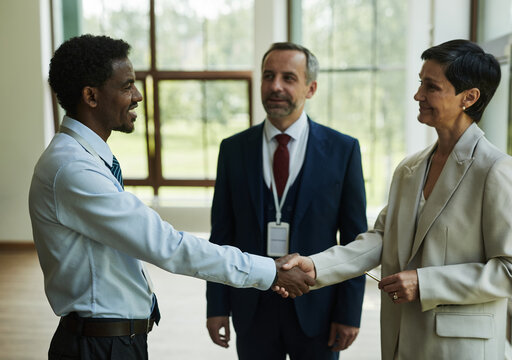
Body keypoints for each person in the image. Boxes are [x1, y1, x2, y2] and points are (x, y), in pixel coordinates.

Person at [28, 34, 314, 360]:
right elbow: (169, 246)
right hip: (98, 347)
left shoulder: (84, 158)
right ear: (91, 96)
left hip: (113, 340)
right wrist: (270, 271)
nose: (137, 95)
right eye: (126, 86)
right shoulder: (73, 169)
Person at [277, 39, 512, 360]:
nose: (418, 95)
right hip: (401, 343)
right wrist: (316, 266)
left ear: (469, 97)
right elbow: (381, 240)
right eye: (419, 83)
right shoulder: (410, 168)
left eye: (431, 86)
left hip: (460, 349)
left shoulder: (496, 170)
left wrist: (425, 283)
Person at [205, 42, 368, 360]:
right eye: (268, 76)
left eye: (288, 78)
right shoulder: (233, 149)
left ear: (311, 88)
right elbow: (221, 235)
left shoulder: (343, 150)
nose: (275, 86)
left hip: (318, 308)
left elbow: (354, 239)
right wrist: (217, 306)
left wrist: (349, 313)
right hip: (251, 307)